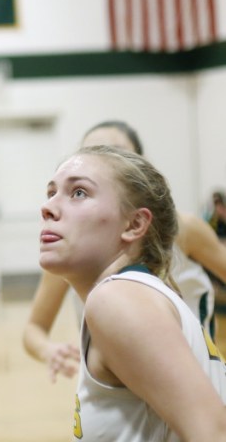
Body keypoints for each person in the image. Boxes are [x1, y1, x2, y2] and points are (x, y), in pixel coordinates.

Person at [40, 144, 226, 440]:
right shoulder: (137, 295)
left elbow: (214, 433)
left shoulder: (117, 300)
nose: (47, 207)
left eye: (79, 193)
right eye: (51, 192)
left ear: (135, 224)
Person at [23, 120, 226, 379]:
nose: (105, 161)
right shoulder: (70, 252)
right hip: (116, 386)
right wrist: (49, 350)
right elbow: (34, 328)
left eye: (117, 152)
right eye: (93, 153)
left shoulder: (185, 229)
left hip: (193, 379)